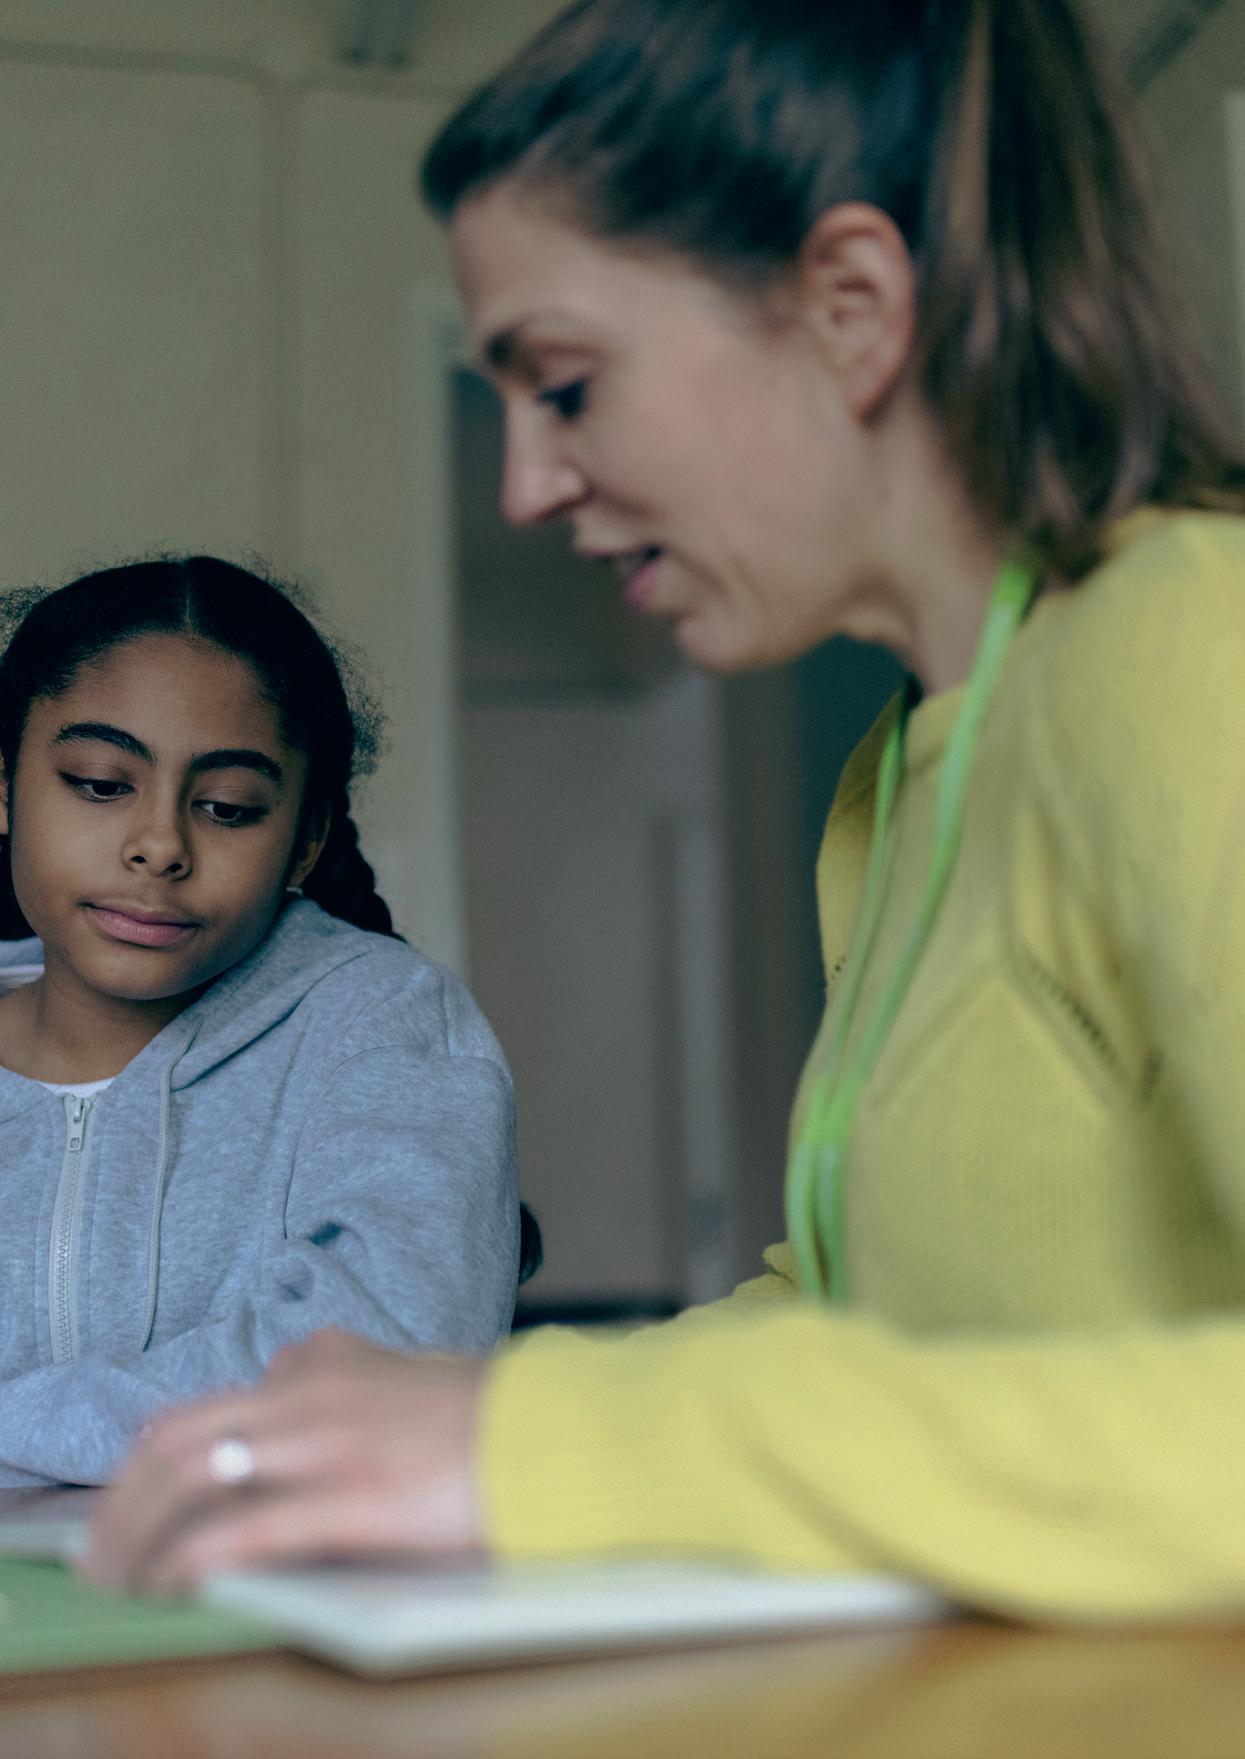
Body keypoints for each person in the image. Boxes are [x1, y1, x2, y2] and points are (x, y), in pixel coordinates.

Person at [84, 0, 1245, 1618]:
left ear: (851, 309)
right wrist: (441, 1423)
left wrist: (542, 1448)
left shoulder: (1189, 647)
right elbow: (852, 1325)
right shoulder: (895, 779)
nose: (526, 484)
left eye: (564, 384)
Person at [0, 554, 522, 1486]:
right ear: (4, 788)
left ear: (305, 839)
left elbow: (376, 1365)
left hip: (282, 1575)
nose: (159, 844)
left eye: (226, 807)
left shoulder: (382, 1024)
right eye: (100, 782)